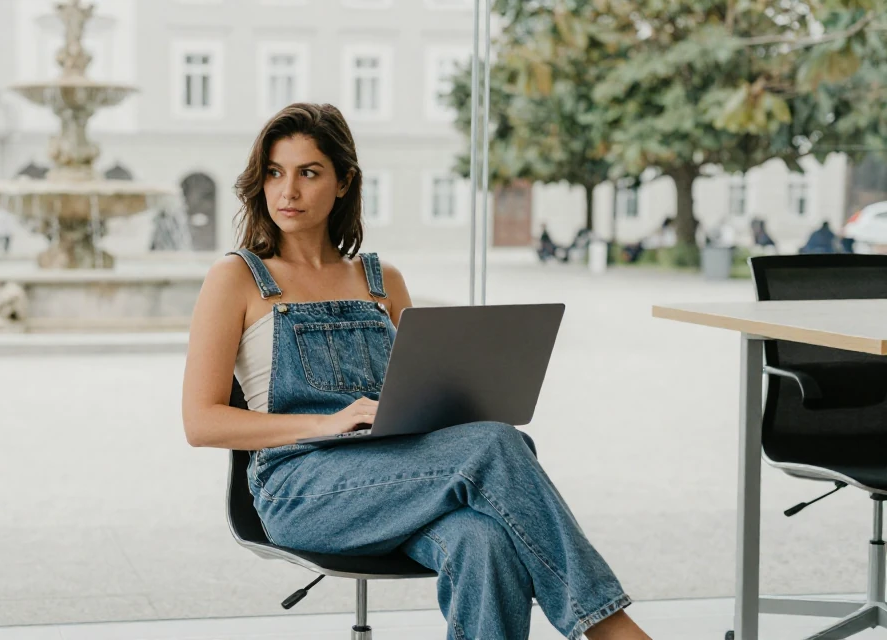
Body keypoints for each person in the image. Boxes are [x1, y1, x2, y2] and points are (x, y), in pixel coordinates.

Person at [181, 103, 650, 640]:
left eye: (308, 173)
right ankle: (611, 628)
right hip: (299, 488)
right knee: (495, 446)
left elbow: (423, 393)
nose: (287, 191)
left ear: (343, 182)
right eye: (274, 172)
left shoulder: (383, 281)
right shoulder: (235, 278)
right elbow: (202, 422)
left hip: (399, 473)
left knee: (484, 542)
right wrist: (323, 424)